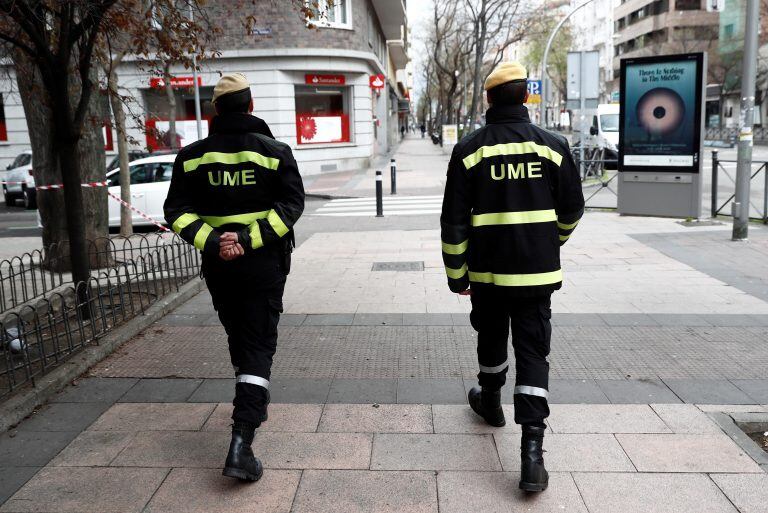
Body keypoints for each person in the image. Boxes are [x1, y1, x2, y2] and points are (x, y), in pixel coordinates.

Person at [440, 61, 584, 493]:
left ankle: (490, 401)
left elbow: (453, 221)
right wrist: (551, 242)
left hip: (487, 275)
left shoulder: (470, 150)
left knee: (490, 338)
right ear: (526, 97)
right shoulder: (553, 146)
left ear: (489, 99)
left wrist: (456, 274)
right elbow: (573, 210)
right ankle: (532, 456)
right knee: (534, 352)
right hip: (537, 276)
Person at [164, 73, 305, 482]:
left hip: (220, 269)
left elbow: (176, 212)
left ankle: (251, 398)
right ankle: (242, 440)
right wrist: (248, 240)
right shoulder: (275, 152)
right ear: (251, 104)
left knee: (240, 339)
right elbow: (291, 206)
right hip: (264, 265)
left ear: (215, 111)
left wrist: (216, 242)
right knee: (258, 343)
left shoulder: (191, 157)